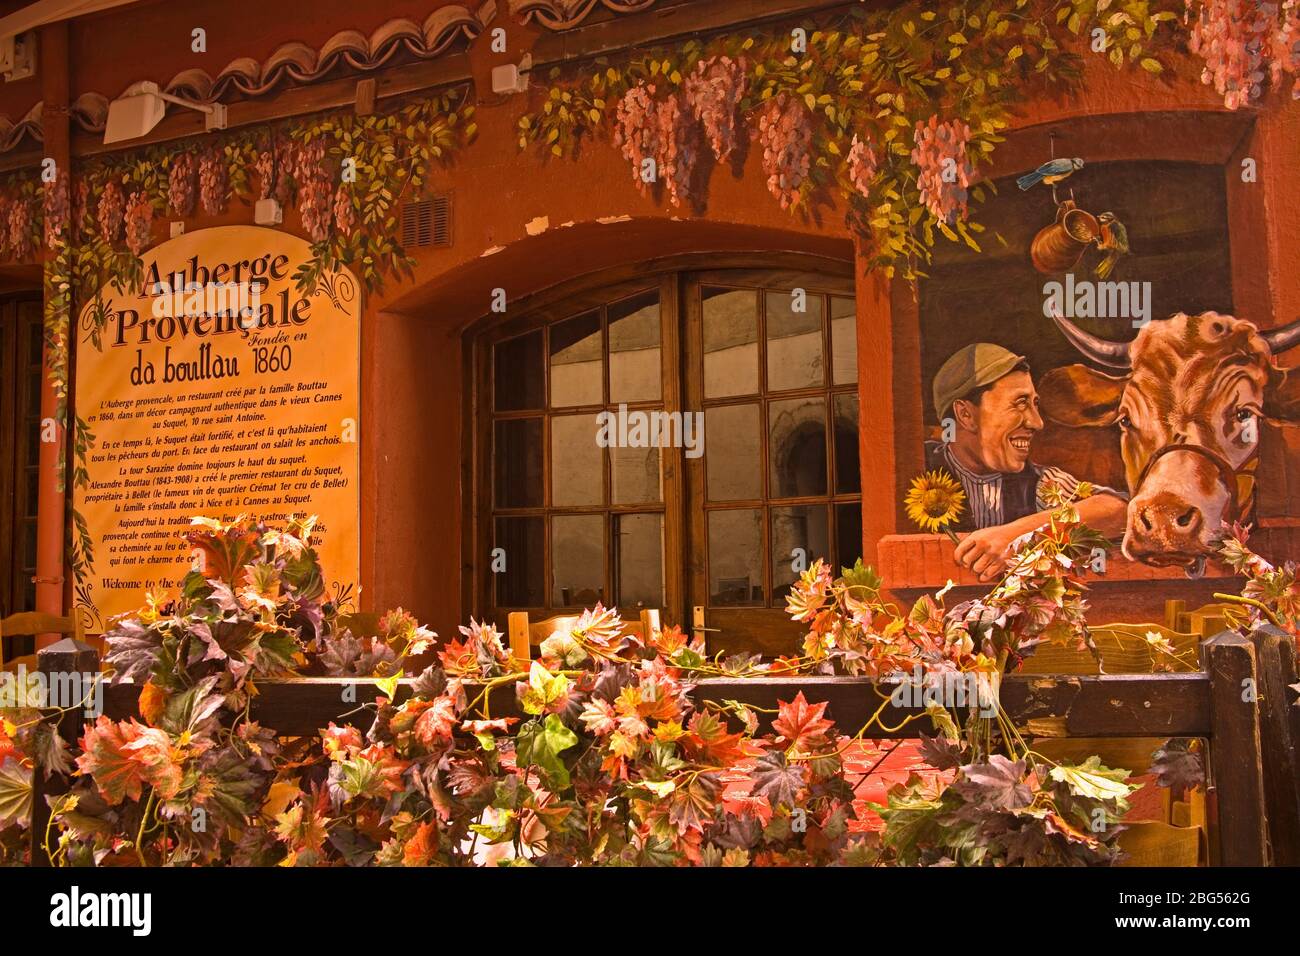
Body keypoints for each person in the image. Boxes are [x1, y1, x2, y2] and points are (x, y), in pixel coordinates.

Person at [927, 343, 1127, 581]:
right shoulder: (920, 471)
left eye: (1034, 404)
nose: (1037, 422)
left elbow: (1117, 511)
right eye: (1020, 403)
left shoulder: (1042, 483)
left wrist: (1017, 534)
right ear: (966, 415)